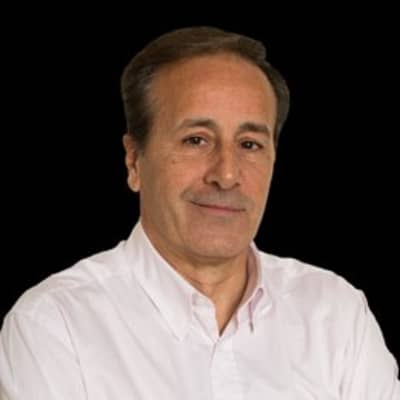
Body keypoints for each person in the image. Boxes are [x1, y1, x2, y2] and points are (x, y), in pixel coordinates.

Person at [0, 27, 398, 400]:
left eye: (250, 144)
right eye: (196, 140)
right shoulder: (56, 326)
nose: (226, 174)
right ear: (134, 161)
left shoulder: (337, 317)